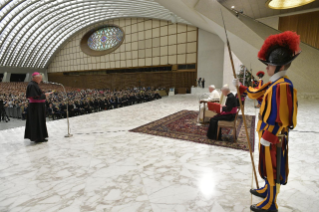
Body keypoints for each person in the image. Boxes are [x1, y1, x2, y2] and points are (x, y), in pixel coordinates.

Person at [233, 31, 300, 212]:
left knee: (273, 169)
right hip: (266, 134)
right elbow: (257, 93)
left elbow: (283, 118)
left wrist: (269, 136)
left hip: (273, 137)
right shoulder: (273, 83)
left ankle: (271, 203)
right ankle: (266, 190)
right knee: (266, 167)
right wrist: (241, 88)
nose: (267, 68)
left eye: (270, 65)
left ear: (280, 66)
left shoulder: (283, 86)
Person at [24, 72, 53, 143]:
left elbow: (38, 94)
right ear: (36, 78)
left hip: (39, 107)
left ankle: (41, 137)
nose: (41, 80)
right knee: (36, 122)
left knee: (40, 121)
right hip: (35, 107)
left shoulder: (34, 84)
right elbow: (35, 97)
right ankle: (37, 137)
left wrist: (44, 94)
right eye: (40, 79)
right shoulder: (32, 85)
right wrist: (45, 95)